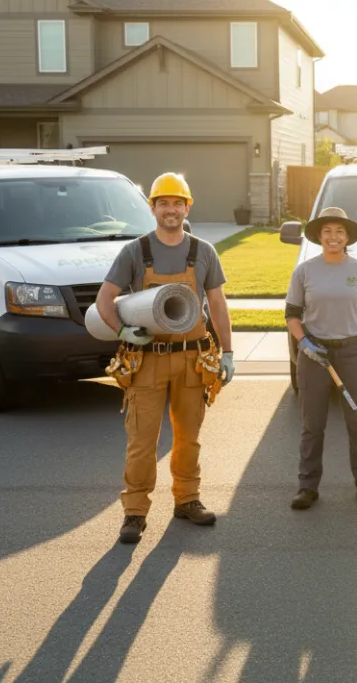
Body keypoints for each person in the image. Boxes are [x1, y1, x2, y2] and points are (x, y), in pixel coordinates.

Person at [95, 172, 235, 544]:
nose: (171, 210)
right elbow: (104, 299)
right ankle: (135, 512)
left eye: (177, 203)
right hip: (147, 360)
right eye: (163, 203)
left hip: (193, 359)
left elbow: (217, 304)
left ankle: (187, 500)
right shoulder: (135, 251)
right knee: (142, 440)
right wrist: (122, 332)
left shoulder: (203, 251)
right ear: (153, 207)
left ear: (187, 207)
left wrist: (229, 352)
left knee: (189, 437)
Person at [284, 206, 357, 511]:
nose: (333, 237)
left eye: (339, 232)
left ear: (347, 237)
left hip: (354, 351)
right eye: (327, 231)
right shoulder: (305, 270)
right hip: (315, 353)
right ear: (318, 235)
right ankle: (307, 486)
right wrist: (304, 344)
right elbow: (291, 315)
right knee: (312, 423)